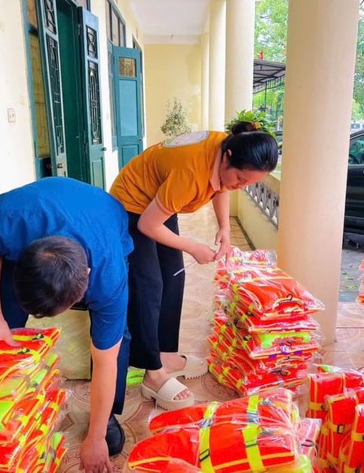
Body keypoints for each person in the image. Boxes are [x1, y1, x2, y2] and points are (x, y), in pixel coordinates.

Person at [0, 177, 133, 472]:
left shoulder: (107, 276)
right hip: (41, 209)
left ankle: (107, 417)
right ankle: (2, 403)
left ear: (85, 284)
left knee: (116, 340)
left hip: (104, 216)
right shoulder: (7, 221)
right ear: (19, 257)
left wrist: (95, 437)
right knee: (2, 321)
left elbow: (105, 361)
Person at [110, 120, 278, 410]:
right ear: (227, 157)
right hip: (134, 205)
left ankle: (167, 353)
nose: (240, 186)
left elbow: (223, 186)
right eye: (240, 178)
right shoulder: (190, 172)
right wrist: (192, 246)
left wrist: (225, 228)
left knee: (173, 276)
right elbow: (150, 224)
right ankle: (153, 373)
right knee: (149, 285)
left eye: (248, 184)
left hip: (161, 198)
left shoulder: (229, 149)